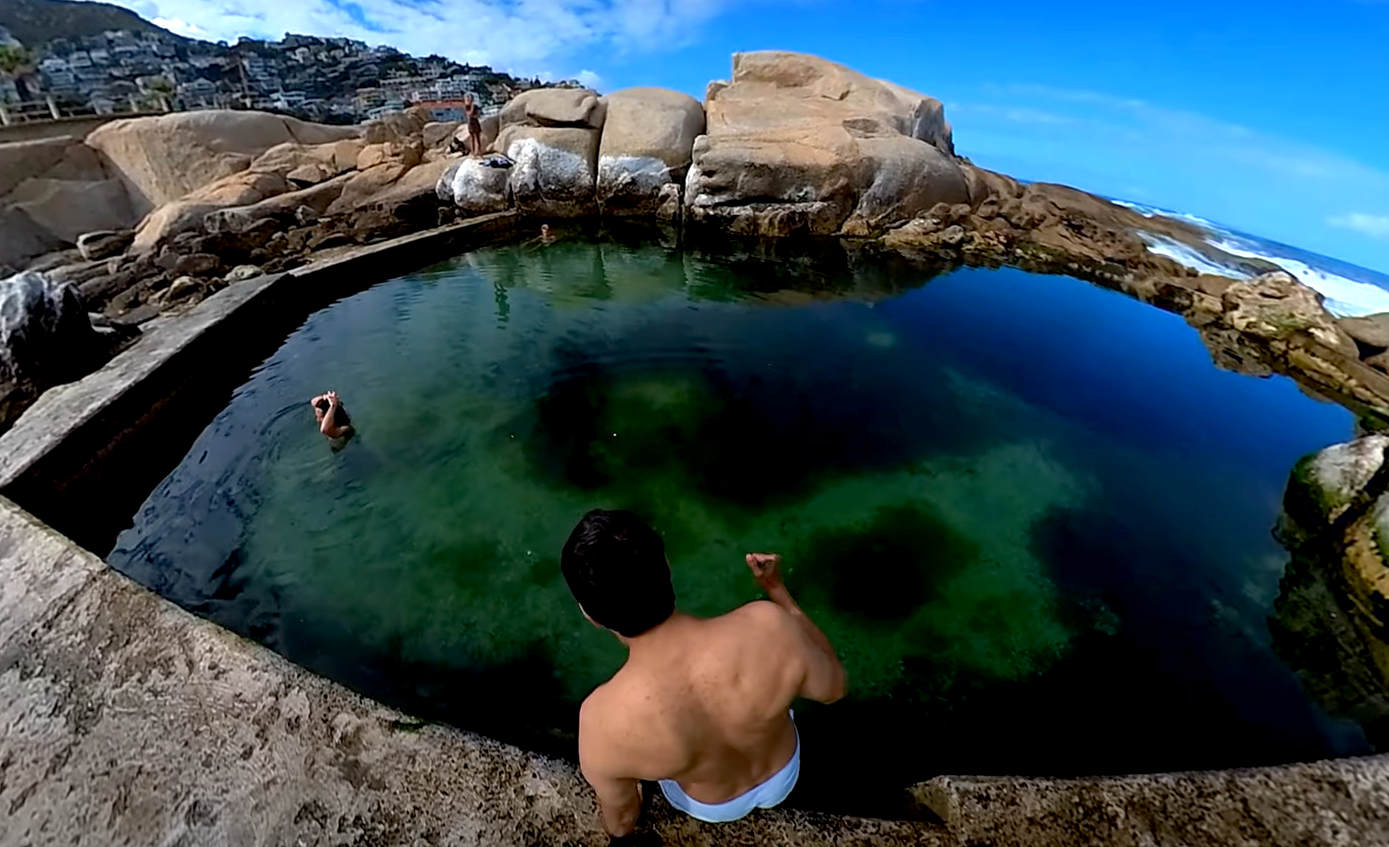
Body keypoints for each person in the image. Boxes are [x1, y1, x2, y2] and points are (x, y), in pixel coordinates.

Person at [560, 509, 847, 839]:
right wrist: (779, 593)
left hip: (711, 805)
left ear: (590, 616)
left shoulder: (602, 720)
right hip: (784, 772)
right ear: (667, 565)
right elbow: (834, 687)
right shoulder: (767, 625)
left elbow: (621, 822)